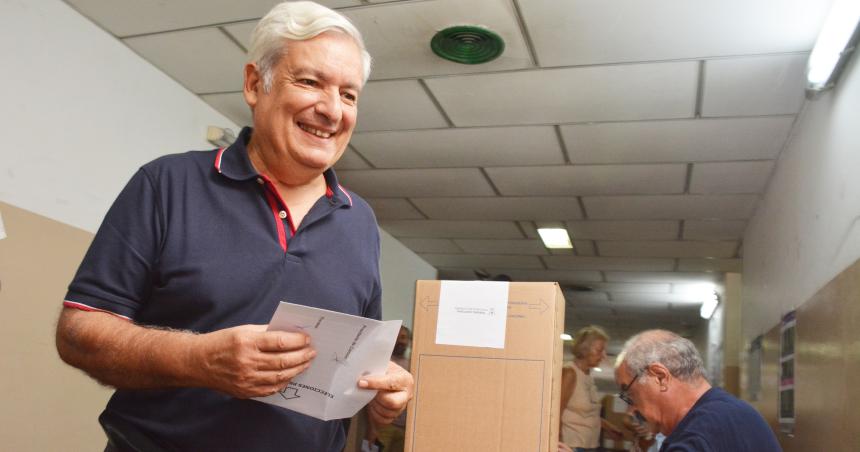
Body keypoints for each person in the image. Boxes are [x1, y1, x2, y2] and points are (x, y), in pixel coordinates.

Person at [54, 2, 413, 451]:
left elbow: (355, 364)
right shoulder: (166, 184)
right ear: (253, 84)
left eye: (349, 94)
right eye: (309, 82)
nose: (332, 109)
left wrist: (380, 391)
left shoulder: (360, 221)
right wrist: (198, 360)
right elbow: (78, 334)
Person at [614, 330, 781, 452]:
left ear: (660, 377)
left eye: (630, 394)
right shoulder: (730, 411)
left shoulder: (697, 436)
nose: (631, 410)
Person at [559, 325, 624, 452]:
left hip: (589, 444)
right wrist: (557, 440)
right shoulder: (570, 373)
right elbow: (556, 410)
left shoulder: (588, 376)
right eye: (599, 350)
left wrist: (609, 427)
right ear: (584, 350)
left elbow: (585, 413)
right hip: (572, 444)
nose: (603, 356)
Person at [365, 325, 411, 451]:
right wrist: (372, 428)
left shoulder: (412, 364)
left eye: (403, 337)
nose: (400, 340)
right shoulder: (382, 363)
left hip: (405, 428)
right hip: (384, 427)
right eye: (397, 337)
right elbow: (370, 398)